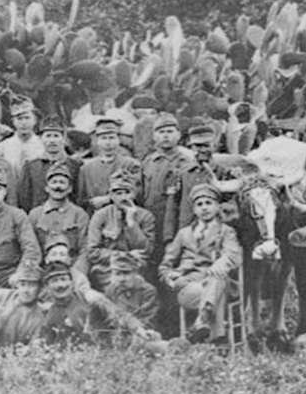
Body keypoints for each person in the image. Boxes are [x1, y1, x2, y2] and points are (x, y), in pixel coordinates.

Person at [159, 184, 242, 344]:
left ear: (217, 206)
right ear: (194, 210)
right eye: (200, 204)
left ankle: (202, 321)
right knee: (214, 287)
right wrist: (171, 278)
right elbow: (165, 265)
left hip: (219, 283)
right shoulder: (183, 234)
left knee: (216, 278)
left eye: (208, 203)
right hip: (191, 288)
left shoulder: (226, 231)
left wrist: (220, 264)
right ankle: (216, 336)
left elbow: (232, 253)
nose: (204, 208)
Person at [38, 260, 150, 346]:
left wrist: (136, 328)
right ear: (47, 287)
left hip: (106, 351)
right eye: (54, 281)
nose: (60, 285)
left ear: (71, 282)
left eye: (63, 279)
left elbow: (115, 312)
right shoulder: (50, 317)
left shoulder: (87, 297)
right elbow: (48, 347)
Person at [78, 169, 155, 291]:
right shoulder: (100, 216)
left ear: (134, 194)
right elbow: (93, 252)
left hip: (136, 268)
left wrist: (132, 223)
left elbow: (146, 250)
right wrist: (125, 255)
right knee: (115, 286)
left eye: (127, 192)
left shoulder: (146, 216)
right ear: (111, 196)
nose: (123, 197)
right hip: (106, 269)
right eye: (118, 193)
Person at [140, 113, 198, 264]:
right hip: (151, 223)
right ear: (154, 136)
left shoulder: (187, 162)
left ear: (178, 135)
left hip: (176, 224)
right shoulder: (148, 162)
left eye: (170, 131)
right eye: (161, 132)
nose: (165, 136)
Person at [27, 163, 90, 264]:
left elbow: (84, 249)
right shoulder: (35, 215)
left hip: (71, 268)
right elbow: (30, 248)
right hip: (42, 267)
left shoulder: (79, 215)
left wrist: (77, 271)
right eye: (54, 182)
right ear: (47, 188)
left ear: (70, 189)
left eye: (62, 182)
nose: (57, 186)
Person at [78, 117, 143, 212]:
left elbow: (137, 192)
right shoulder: (85, 169)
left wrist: (108, 199)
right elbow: (81, 198)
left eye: (112, 138)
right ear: (97, 142)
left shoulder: (131, 164)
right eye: (104, 138)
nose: (108, 143)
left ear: (119, 141)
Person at [18, 117, 82, 212]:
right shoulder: (31, 166)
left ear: (64, 139)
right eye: (48, 136)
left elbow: (78, 197)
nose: (52, 140)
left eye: (56, 136)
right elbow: (24, 199)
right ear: (41, 139)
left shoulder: (75, 166)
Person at [0, 98, 45, 175]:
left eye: (27, 118)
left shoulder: (43, 145)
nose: (23, 123)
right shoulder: (1, 148)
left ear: (35, 120)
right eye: (19, 119)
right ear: (13, 122)